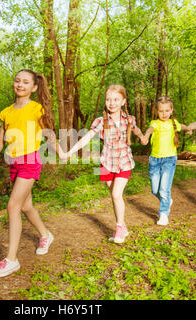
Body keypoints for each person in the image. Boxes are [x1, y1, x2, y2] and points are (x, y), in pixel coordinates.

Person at [0, 69, 63, 278]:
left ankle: (12, 259)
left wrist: (60, 152)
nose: (20, 85)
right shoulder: (6, 112)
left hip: (31, 161)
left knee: (12, 206)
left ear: (34, 88)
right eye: (17, 81)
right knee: (26, 206)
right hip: (14, 162)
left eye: (26, 82)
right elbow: (0, 142)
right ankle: (45, 234)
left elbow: (49, 134)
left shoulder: (37, 109)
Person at [62, 84, 145, 242]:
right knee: (114, 196)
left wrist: (142, 137)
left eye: (115, 99)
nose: (111, 103)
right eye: (108, 99)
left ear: (123, 101)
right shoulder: (100, 121)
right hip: (106, 163)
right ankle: (123, 226)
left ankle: (119, 228)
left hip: (124, 162)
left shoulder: (129, 119)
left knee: (116, 194)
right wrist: (70, 152)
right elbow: (86, 138)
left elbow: (137, 129)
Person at [141, 96, 192, 226]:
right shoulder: (155, 123)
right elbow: (150, 130)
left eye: (167, 110)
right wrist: (146, 136)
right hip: (155, 160)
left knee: (164, 189)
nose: (164, 114)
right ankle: (167, 200)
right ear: (157, 112)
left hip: (169, 159)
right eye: (161, 111)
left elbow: (183, 126)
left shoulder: (173, 124)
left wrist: (189, 129)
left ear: (171, 110)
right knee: (154, 190)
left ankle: (163, 214)